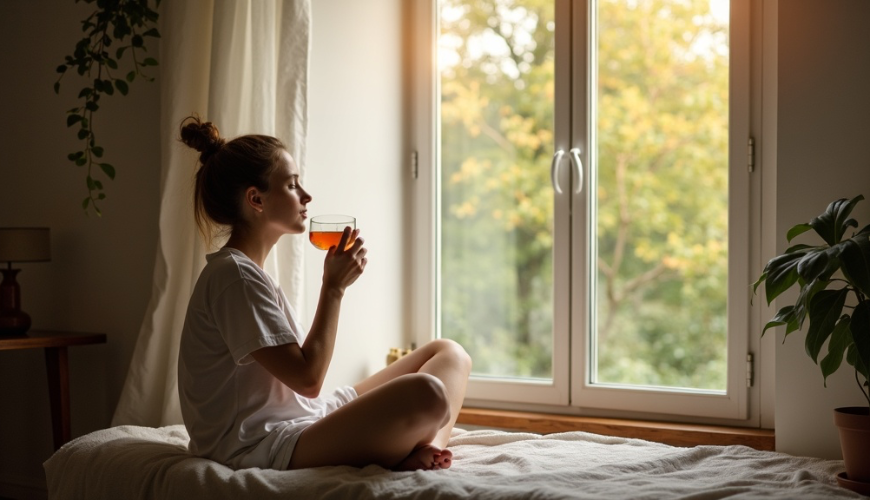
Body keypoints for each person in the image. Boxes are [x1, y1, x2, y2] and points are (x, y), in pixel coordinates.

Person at [176, 115, 472, 472]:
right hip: (264, 444)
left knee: (449, 353)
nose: (307, 196)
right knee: (428, 394)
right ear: (256, 199)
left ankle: (428, 450)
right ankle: (415, 446)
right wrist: (333, 289)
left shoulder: (248, 273)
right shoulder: (233, 276)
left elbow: (305, 391)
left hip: (306, 418)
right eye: (292, 185)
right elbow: (308, 379)